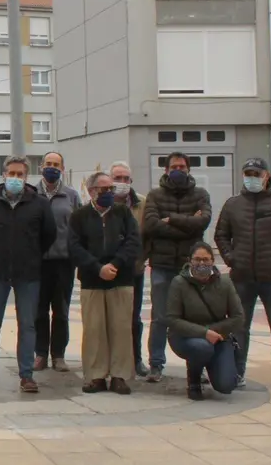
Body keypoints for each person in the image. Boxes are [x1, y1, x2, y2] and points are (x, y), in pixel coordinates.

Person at [0, 155, 57, 393]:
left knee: (27, 325)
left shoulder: (39, 204)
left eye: (20, 174)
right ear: (4, 175)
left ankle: (26, 375)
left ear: (27, 177)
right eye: (12, 174)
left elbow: (48, 235)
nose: (15, 178)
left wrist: (32, 255)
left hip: (28, 274)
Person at [214, 157, 271, 393]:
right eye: (248, 173)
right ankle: (237, 372)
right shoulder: (233, 205)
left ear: (266, 176)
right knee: (239, 327)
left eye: (256, 173)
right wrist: (232, 259)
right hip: (242, 277)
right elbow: (221, 235)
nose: (251, 177)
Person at [68, 171, 140, 395]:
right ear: (91, 192)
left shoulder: (123, 213)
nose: (109, 192)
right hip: (92, 280)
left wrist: (115, 265)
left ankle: (119, 376)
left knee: (121, 327)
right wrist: (97, 267)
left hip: (121, 278)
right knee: (94, 329)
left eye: (111, 188)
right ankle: (96, 376)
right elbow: (74, 246)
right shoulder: (79, 216)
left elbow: (132, 241)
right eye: (103, 189)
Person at [142, 152, 211, 383]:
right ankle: (156, 365)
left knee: (194, 318)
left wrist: (170, 219)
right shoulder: (155, 195)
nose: (178, 170)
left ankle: (197, 367)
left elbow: (203, 222)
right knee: (160, 317)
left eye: (182, 166)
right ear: (166, 170)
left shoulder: (201, 194)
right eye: (174, 167)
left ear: (189, 169)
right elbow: (151, 225)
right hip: (162, 265)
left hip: (190, 268)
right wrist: (187, 222)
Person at [166, 243, 244, 400]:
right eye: (197, 259)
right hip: (185, 338)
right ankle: (194, 379)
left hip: (218, 337)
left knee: (226, 386)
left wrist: (212, 331)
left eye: (206, 260)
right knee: (201, 347)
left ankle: (211, 364)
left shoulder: (225, 283)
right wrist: (204, 333)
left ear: (213, 261)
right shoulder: (179, 283)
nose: (201, 264)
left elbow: (238, 317)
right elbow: (172, 319)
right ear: (190, 261)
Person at [35, 152, 81, 373]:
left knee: (61, 311)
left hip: (64, 262)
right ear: (41, 167)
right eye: (48, 164)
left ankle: (59, 355)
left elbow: (80, 229)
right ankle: (41, 354)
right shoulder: (31, 194)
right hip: (39, 263)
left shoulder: (71, 196)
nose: (52, 168)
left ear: (63, 168)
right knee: (39, 311)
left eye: (56, 165)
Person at [110, 161, 149, 377]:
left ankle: (136, 359)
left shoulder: (142, 203)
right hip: (109, 269)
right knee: (109, 317)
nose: (122, 183)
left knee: (133, 317)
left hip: (134, 269)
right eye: (117, 178)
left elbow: (148, 233)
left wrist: (143, 258)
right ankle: (111, 359)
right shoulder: (103, 202)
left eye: (126, 179)